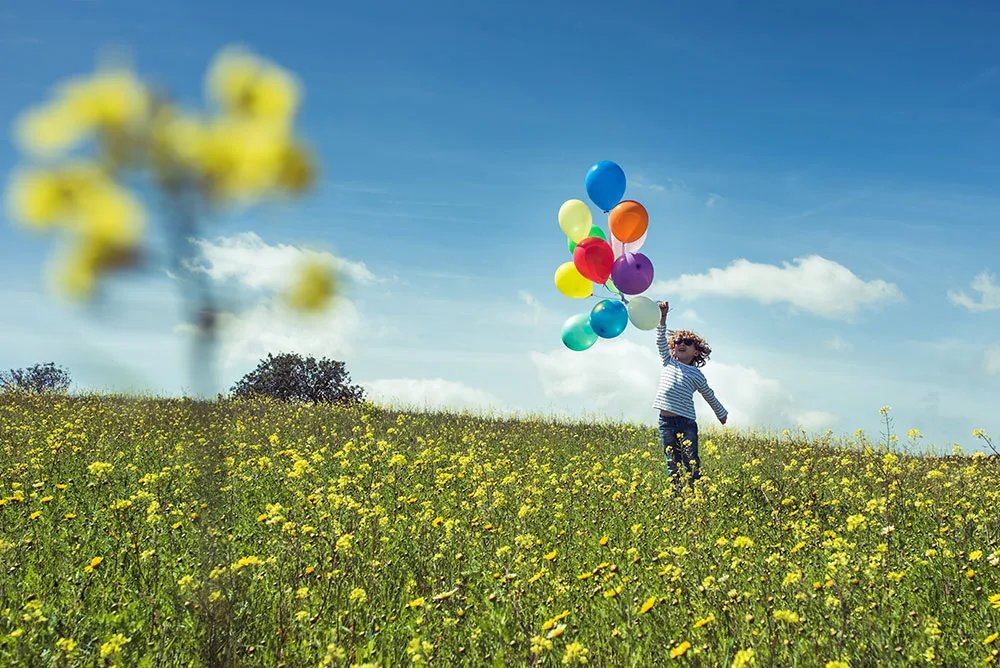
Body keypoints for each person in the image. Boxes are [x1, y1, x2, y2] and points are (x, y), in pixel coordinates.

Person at [654, 300, 727, 487]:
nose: (682, 344)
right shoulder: (668, 361)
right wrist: (663, 317)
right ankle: (677, 496)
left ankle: (697, 491)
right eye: (678, 341)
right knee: (672, 462)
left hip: (686, 423)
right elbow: (660, 339)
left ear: (696, 352)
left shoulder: (696, 374)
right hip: (666, 422)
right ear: (673, 346)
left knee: (691, 460)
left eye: (688, 342)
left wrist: (721, 413)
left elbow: (708, 395)